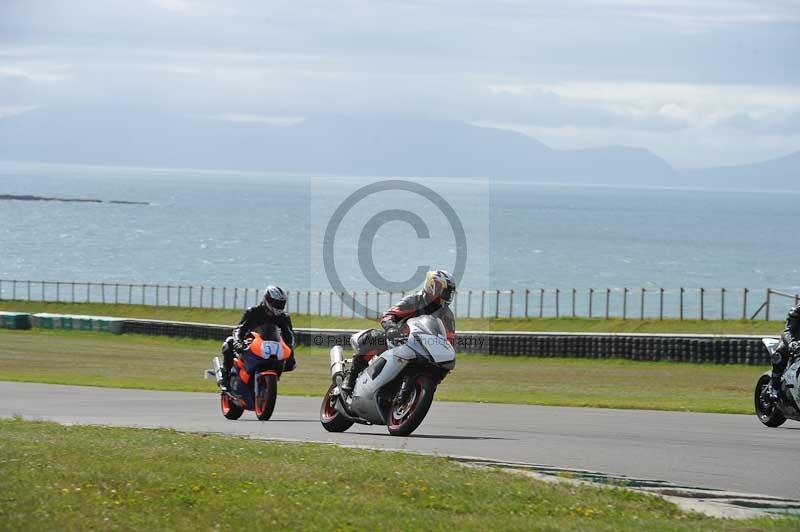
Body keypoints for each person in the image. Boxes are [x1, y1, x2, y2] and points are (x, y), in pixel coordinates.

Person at [341, 270, 457, 393]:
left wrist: (446, 356)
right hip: (397, 341)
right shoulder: (415, 300)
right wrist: (391, 328)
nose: (447, 294)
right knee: (373, 337)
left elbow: (449, 340)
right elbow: (389, 315)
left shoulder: (447, 315)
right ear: (433, 286)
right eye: (445, 290)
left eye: (450, 292)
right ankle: (351, 377)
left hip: (422, 349)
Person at [220, 285, 296, 389]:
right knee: (229, 342)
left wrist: (291, 355)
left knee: (288, 363)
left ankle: (266, 387)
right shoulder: (253, 311)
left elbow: (289, 336)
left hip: (272, 348)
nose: (279, 306)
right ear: (267, 300)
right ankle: (225, 377)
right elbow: (239, 329)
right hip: (252, 344)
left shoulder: (284, 317)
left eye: (281, 303)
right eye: (277, 303)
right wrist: (238, 342)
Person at [769, 305, 800, 398]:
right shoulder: (796, 311)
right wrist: (791, 343)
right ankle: (774, 385)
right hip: (794, 342)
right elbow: (788, 331)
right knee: (780, 353)